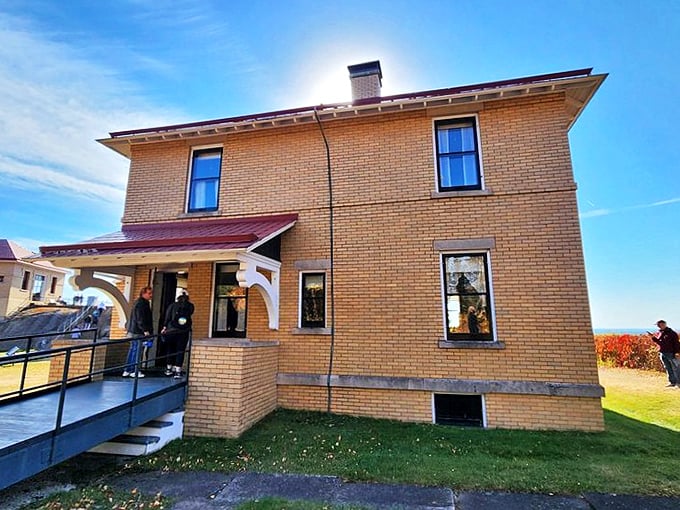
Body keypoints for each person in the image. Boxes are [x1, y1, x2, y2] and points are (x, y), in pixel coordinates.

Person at [161, 293, 194, 378]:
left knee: (170, 349)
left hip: (171, 330)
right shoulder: (190, 306)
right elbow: (191, 314)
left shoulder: (172, 306)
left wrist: (164, 327)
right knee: (180, 350)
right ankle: (178, 371)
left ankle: (169, 368)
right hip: (183, 332)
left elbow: (167, 317)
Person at [123, 286, 154, 378]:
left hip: (133, 330)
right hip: (138, 331)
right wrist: (145, 330)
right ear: (143, 293)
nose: (151, 295)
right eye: (149, 293)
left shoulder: (138, 303)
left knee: (133, 349)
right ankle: (134, 370)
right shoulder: (142, 304)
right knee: (137, 350)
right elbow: (140, 318)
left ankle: (128, 370)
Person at [647, 320, 680, 388]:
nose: (658, 326)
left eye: (659, 325)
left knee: (676, 368)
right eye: (657, 325)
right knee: (668, 368)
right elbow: (659, 342)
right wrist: (653, 337)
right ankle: (672, 382)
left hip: (671, 353)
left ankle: (678, 383)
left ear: (664, 324)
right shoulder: (660, 332)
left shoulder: (672, 333)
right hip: (663, 353)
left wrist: (677, 352)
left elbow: (676, 344)